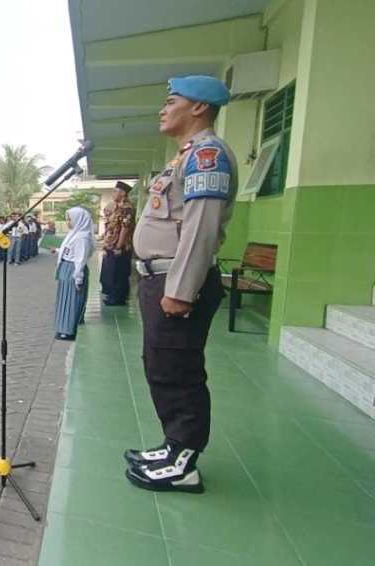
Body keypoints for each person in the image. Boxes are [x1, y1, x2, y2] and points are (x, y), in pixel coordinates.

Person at [123, 76, 237, 494]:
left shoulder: (208, 155)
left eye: (172, 101)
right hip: (162, 279)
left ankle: (184, 463)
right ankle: (173, 447)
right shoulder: (183, 158)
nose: (162, 109)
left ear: (199, 108)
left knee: (179, 372)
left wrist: (181, 289)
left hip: (176, 282)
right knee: (161, 366)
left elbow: (201, 228)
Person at [53, 207, 93, 341]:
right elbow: (70, 251)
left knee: (71, 300)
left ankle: (69, 330)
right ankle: (64, 327)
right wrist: (58, 251)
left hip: (73, 271)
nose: (68, 222)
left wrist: (78, 279)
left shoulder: (82, 237)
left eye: (70, 219)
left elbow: (80, 260)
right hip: (67, 269)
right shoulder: (74, 234)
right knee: (65, 299)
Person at [100, 181, 136, 306]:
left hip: (121, 246)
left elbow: (125, 228)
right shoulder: (117, 207)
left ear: (123, 193)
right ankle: (113, 295)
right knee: (112, 272)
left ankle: (118, 298)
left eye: (116, 191)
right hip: (112, 244)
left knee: (119, 273)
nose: (113, 194)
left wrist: (119, 246)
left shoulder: (127, 208)